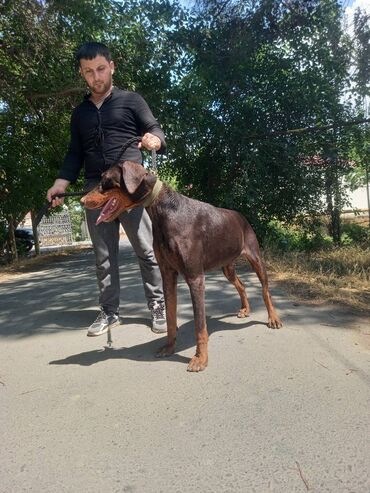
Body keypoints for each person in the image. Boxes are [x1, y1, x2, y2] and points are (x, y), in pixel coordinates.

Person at [47, 42, 167, 337]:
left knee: (146, 250)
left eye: (101, 69)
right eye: (89, 72)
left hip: (131, 188)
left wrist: (154, 140)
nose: (96, 77)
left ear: (111, 67)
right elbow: (74, 154)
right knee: (103, 255)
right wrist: (61, 184)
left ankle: (158, 305)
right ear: (82, 73)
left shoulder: (131, 100)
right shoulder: (80, 114)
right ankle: (110, 312)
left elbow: (156, 130)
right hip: (96, 188)